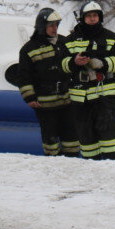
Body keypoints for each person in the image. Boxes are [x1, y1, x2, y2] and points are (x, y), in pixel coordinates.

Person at [61, 0, 115, 160]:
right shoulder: (69, 41)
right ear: (82, 18)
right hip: (80, 97)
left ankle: (113, 164)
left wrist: (103, 64)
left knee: (108, 132)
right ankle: (91, 167)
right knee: (85, 135)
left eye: (95, 16)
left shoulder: (112, 39)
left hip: (104, 95)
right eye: (89, 16)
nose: (92, 19)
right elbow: (61, 64)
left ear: (100, 18)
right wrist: (74, 62)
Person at [17, 8, 79, 156]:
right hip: (44, 104)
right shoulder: (29, 49)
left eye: (56, 25)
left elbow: (74, 67)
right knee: (50, 141)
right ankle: (52, 169)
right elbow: (23, 76)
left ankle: (73, 168)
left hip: (66, 102)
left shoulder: (64, 43)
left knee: (72, 140)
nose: (54, 29)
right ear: (42, 26)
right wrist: (30, 97)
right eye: (51, 25)